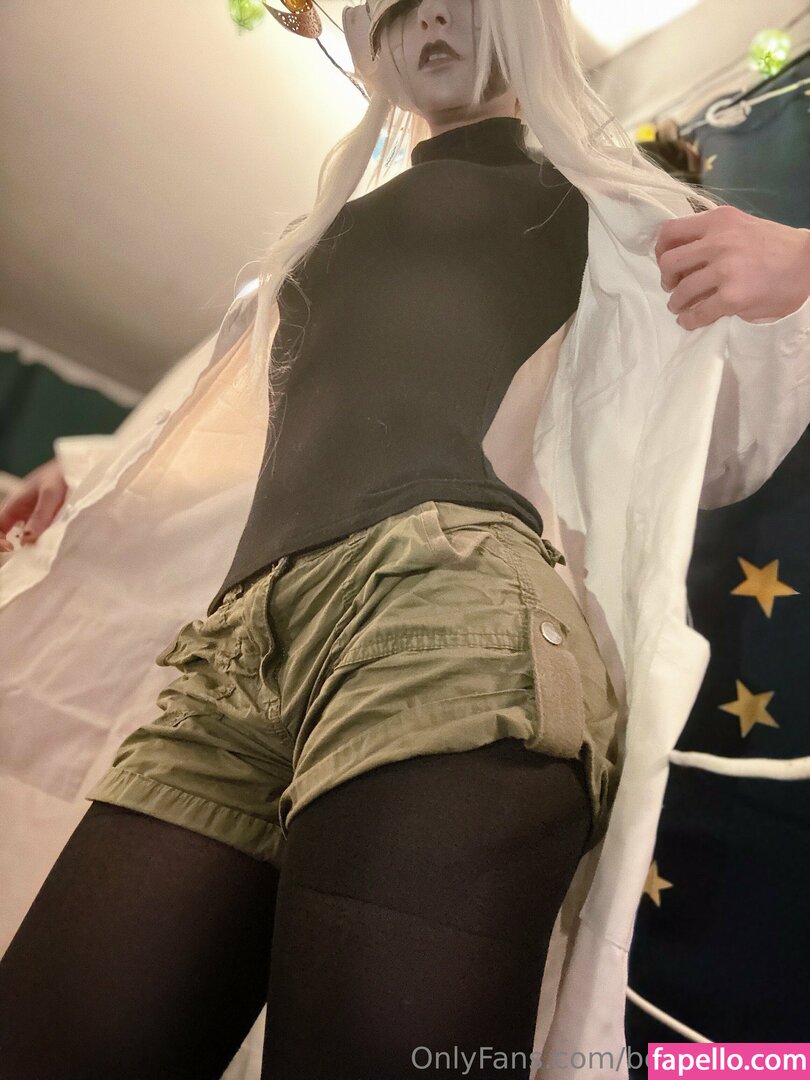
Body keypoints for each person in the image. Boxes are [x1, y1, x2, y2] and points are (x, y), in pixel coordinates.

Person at [0, 1, 808, 1078]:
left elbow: (726, 442)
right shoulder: (324, 232)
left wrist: (804, 265)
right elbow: (266, 438)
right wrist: (86, 474)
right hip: (236, 658)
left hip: (447, 613)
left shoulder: (598, 200)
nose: (425, 12)